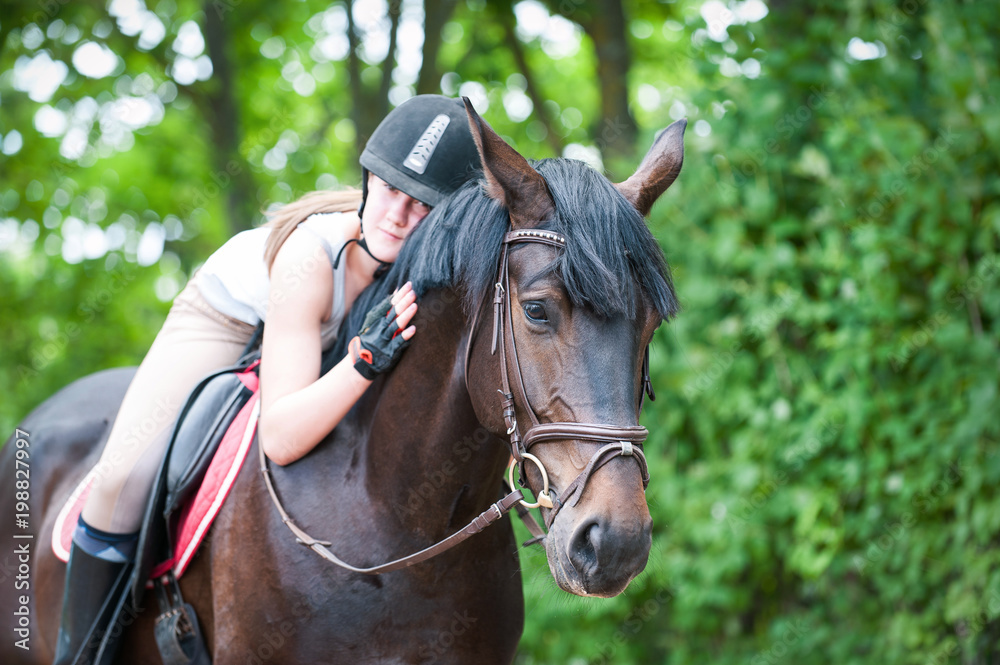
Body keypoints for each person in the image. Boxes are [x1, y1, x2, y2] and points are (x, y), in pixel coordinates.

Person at [53, 94, 482, 664]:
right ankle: (79, 654)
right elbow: (280, 437)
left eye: (421, 205)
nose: (396, 216)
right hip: (225, 316)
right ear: (367, 180)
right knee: (124, 476)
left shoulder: (441, 268)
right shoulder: (310, 259)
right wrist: (362, 363)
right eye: (387, 189)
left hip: (321, 333)